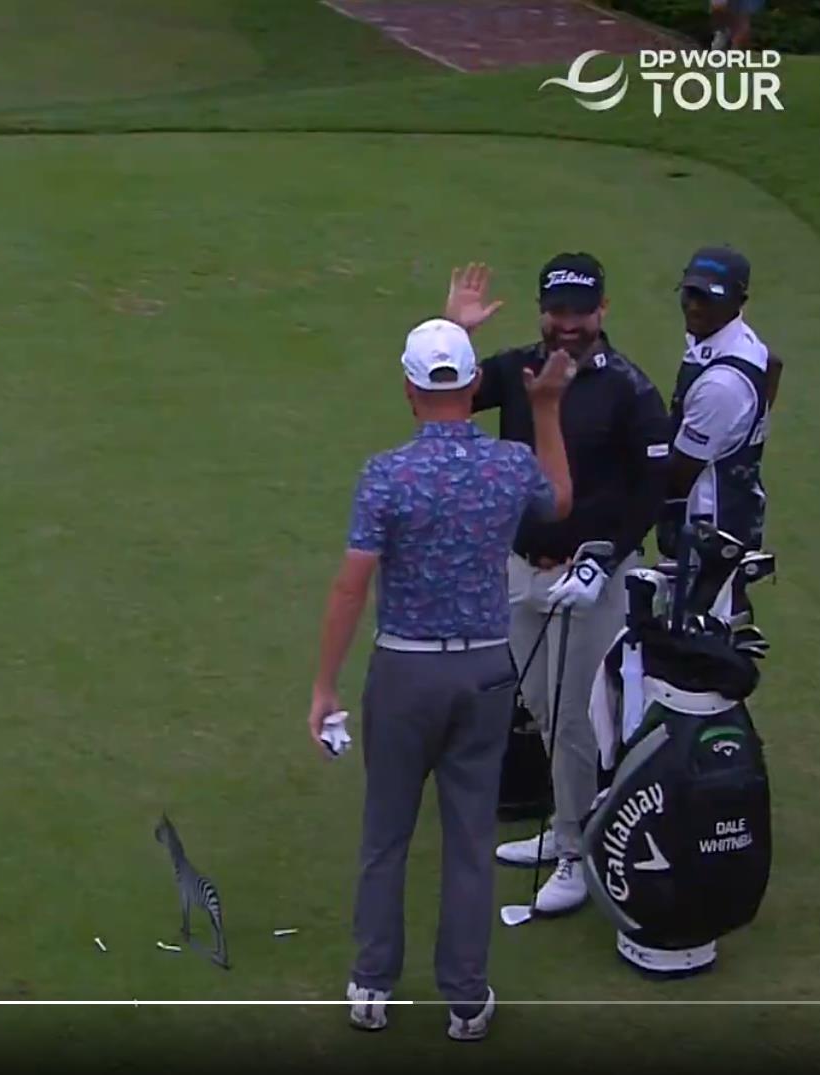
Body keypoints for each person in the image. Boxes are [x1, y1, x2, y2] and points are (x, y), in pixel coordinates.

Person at [306, 317, 575, 1040]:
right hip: (486, 668)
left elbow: (349, 588)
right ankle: (464, 997)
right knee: (465, 839)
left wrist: (324, 686)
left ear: (406, 387)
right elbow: (558, 499)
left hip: (403, 672)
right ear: (476, 386)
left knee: (385, 834)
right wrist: (546, 407)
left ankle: (371, 983)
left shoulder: (386, 474)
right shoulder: (508, 465)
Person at [444, 255, 672, 916]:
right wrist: (454, 330)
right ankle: (566, 823)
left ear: (601, 312)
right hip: (522, 568)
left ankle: (575, 851)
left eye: (580, 312)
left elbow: (649, 491)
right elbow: (442, 394)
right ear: (542, 311)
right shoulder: (518, 369)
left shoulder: (627, 389)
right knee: (541, 706)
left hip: (590, 577)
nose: (567, 325)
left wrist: (604, 561)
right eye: (557, 312)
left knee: (574, 716)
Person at [657, 245, 783, 620]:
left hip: (707, 535)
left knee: (694, 647)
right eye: (690, 294)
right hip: (734, 510)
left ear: (739, 301)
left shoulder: (722, 386)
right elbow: (773, 363)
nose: (694, 307)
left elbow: (678, 478)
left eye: (709, 299)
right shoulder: (729, 339)